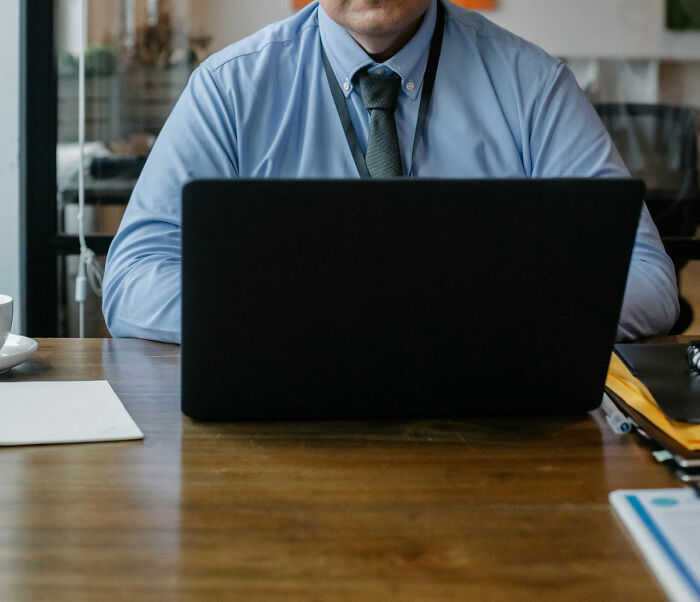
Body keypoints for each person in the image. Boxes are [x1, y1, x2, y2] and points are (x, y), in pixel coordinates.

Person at [102, 0, 679, 344]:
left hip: (492, 430)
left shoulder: (532, 84)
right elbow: (133, 278)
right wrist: (300, 315)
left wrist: (476, 315)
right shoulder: (230, 88)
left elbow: (649, 278)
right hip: (285, 425)